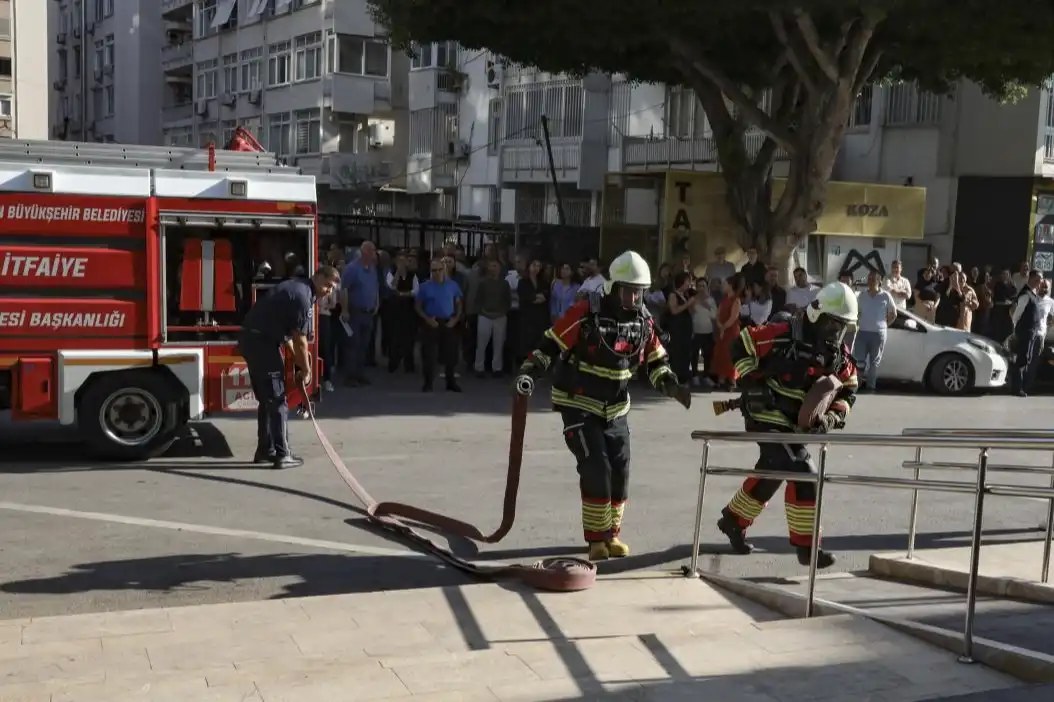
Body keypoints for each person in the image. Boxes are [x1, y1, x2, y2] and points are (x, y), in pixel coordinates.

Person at [514, 250, 692, 561]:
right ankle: (596, 539)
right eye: (629, 291)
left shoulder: (643, 321)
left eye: (640, 293)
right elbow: (550, 345)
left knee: (620, 471)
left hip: (617, 408)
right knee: (597, 467)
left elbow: (656, 361)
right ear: (613, 288)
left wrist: (670, 384)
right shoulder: (586, 314)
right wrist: (530, 372)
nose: (635, 299)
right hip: (578, 402)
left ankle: (611, 535)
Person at [717, 282, 860, 569]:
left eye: (844, 328)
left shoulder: (839, 355)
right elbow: (741, 344)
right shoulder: (783, 334)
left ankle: (733, 520)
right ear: (817, 315)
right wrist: (750, 381)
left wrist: (832, 417)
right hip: (765, 415)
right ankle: (808, 549)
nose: (838, 334)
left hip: (796, 426)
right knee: (803, 470)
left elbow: (848, 389)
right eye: (834, 326)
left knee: (774, 471)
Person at [239, 266, 340, 469]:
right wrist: (307, 370)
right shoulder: (303, 297)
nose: (329, 291)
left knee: (267, 399)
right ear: (318, 277)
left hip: (253, 339)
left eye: (333, 289)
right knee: (277, 400)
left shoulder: (298, 288)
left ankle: (265, 450)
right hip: (262, 343)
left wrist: (299, 363)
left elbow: (289, 339)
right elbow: (300, 340)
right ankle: (282, 454)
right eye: (328, 285)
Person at [415, 259, 463, 392]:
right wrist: (427, 319)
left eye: (439, 270)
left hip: (448, 322)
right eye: (434, 270)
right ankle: (428, 382)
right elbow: (418, 306)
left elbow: (458, 303)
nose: (437, 273)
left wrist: (455, 319)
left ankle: (451, 382)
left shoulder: (453, 285)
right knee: (429, 354)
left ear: (444, 270)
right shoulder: (425, 286)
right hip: (432, 322)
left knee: (451, 354)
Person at [339, 241, 380, 387]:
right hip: (354, 312)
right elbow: (343, 289)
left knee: (364, 345)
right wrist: (344, 309)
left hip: (368, 313)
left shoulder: (372, 268)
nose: (375, 254)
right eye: (373, 251)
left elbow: (374, 287)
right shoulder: (352, 269)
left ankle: (359, 373)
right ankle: (350, 376)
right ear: (366, 252)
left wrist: (376, 303)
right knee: (352, 344)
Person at [854, 271, 897, 393]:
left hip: (878, 334)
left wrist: (884, 326)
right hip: (862, 332)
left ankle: (870, 387)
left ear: (879, 281)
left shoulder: (886, 296)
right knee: (860, 361)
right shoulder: (862, 295)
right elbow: (857, 313)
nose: (871, 281)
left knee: (874, 362)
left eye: (873, 279)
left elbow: (893, 314)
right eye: (869, 278)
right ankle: (856, 385)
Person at [1009, 269, 1047, 397]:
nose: (1039, 282)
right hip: (1025, 332)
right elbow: (1016, 315)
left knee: (1026, 359)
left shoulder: (1033, 294)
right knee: (1022, 359)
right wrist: (1017, 329)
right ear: (1031, 279)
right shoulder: (1026, 294)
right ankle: (1016, 387)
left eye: (1040, 279)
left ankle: (1020, 386)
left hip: (1031, 332)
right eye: (1037, 279)